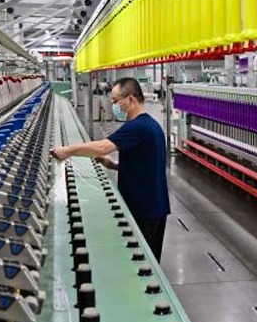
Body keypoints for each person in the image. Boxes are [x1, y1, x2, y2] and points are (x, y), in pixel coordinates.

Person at [51, 77, 171, 260]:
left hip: (145, 210)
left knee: (145, 261)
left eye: (115, 101)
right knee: (149, 257)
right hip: (154, 207)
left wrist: (67, 151)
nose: (113, 106)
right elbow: (147, 165)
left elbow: (102, 147)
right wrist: (113, 165)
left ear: (130, 99)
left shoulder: (136, 127)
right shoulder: (152, 125)